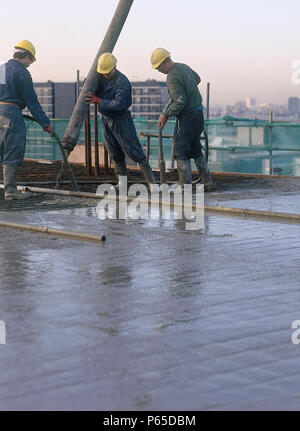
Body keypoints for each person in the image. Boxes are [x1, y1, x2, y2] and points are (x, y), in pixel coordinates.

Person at [85, 52, 156, 190]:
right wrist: (89, 82)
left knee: (135, 151)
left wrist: (99, 100)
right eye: (103, 72)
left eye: (107, 72)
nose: (105, 75)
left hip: (121, 120)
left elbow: (119, 104)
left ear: (115, 66)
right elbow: (94, 85)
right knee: (115, 153)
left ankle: (152, 184)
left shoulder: (122, 81)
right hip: (106, 120)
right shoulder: (101, 77)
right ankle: (122, 184)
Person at [150, 48, 215, 191]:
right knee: (196, 148)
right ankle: (208, 182)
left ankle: (185, 187)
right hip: (198, 115)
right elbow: (197, 79)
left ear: (166, 62)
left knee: (181, 151)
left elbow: (179, 101)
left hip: (187, 117)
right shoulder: (183, 67)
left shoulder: (172, 76)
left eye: (159, 67)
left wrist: (165, 114)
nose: (159, 70)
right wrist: (188, 87)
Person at [0, 40, 53, 200]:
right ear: (27, 57)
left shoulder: (2, 69)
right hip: (11, 113)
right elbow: (32, 101)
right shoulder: (22, 72)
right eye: (31, 60)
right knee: (13, 149)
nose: (30, 64)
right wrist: (45, 123)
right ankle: (10, 190)